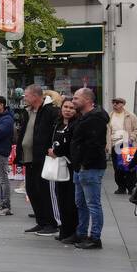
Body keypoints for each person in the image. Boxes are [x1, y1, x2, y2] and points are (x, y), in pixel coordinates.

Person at [18, 84, 61, 233]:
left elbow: (55, 131)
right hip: (29, 158)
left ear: (36, 96)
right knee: (32, 190)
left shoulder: (50, 111)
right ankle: (41, 221)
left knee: (45, 191)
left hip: (43, 158)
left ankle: (53, 223)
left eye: (27, 95)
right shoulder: (28, 111)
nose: (25, 98)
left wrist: (53, 149)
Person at [69, 87, 109, 249]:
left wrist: (85, 163)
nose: (73, 101)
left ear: (87, 100)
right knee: (81, 203)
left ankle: (95, 237)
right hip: (81, 167)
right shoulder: (84, 117)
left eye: (76, 98)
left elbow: (95, 144)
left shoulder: (95, 119)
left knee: (93, 203)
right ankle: (81, 233)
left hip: (90, 167)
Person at [47, 97, 81, 242]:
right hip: (57, 165)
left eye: (72, 108)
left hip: (70, 166)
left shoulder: (76, 125)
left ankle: (72, 231)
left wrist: (58, 151)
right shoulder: (58, 124)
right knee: (60, 198)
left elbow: (71, 146)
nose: (68, 110)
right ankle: (64, 230)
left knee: (70, 200)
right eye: (66, 107)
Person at [108, 96, 137, 195]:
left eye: (117, 102)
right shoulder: (110, 116)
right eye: (113, 102)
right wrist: (107, 144)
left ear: (123, 104)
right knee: (117, 168)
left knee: (129, 167)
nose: (115, 104)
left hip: (127, 144)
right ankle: (121, 187)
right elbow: (107, 131)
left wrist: (131, 137)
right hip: (115, 144)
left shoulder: (130, 116)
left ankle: (131, 187)